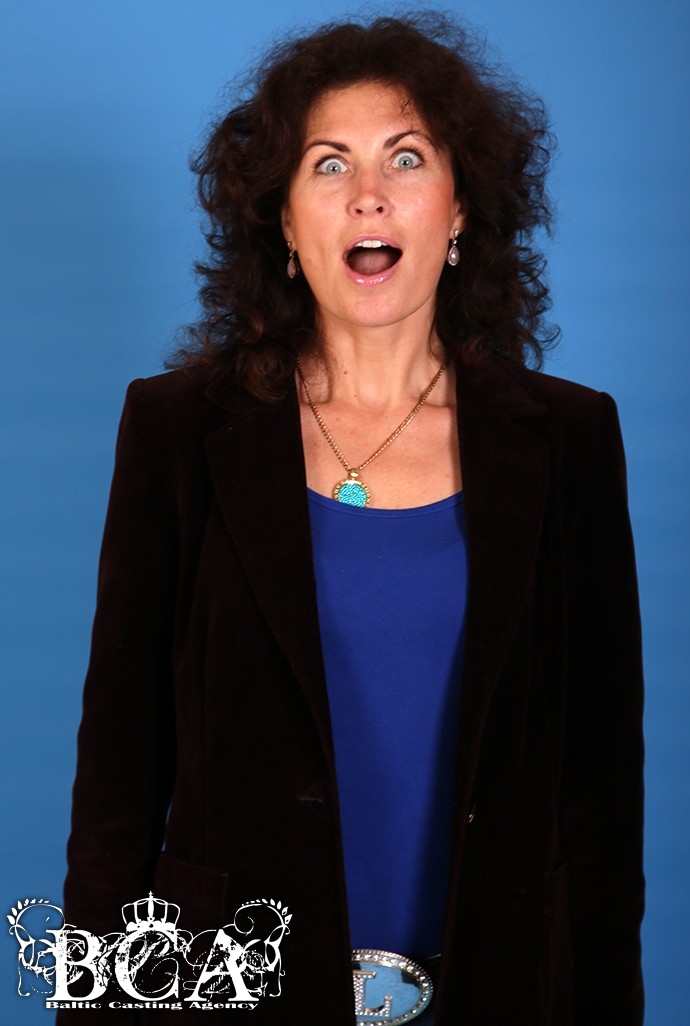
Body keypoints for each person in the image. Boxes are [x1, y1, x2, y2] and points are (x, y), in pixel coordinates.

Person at [60, 13, 644, 1026]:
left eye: (405, 158)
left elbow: (599, 796)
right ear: (285, 223)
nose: (368, 193)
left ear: (459, 209)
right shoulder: (176, 431)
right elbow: (117, 781)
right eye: (328, 165)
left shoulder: (570, 439)